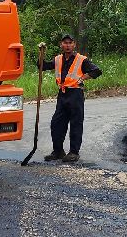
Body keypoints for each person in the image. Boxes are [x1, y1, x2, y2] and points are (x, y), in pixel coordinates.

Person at [40, 33, 102, 162]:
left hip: (75, 94)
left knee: (75, 123)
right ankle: (58, 151)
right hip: (62, 95)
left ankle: (74, 152)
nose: (67, 45)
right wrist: (42, 53)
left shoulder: (81, 59)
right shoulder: (58, 59)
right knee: (56, 123)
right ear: (61, 44)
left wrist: (83, 77)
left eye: (70, 43)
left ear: (74, 45)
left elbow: (96, 71)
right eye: (65, 43)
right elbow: (42, 66)